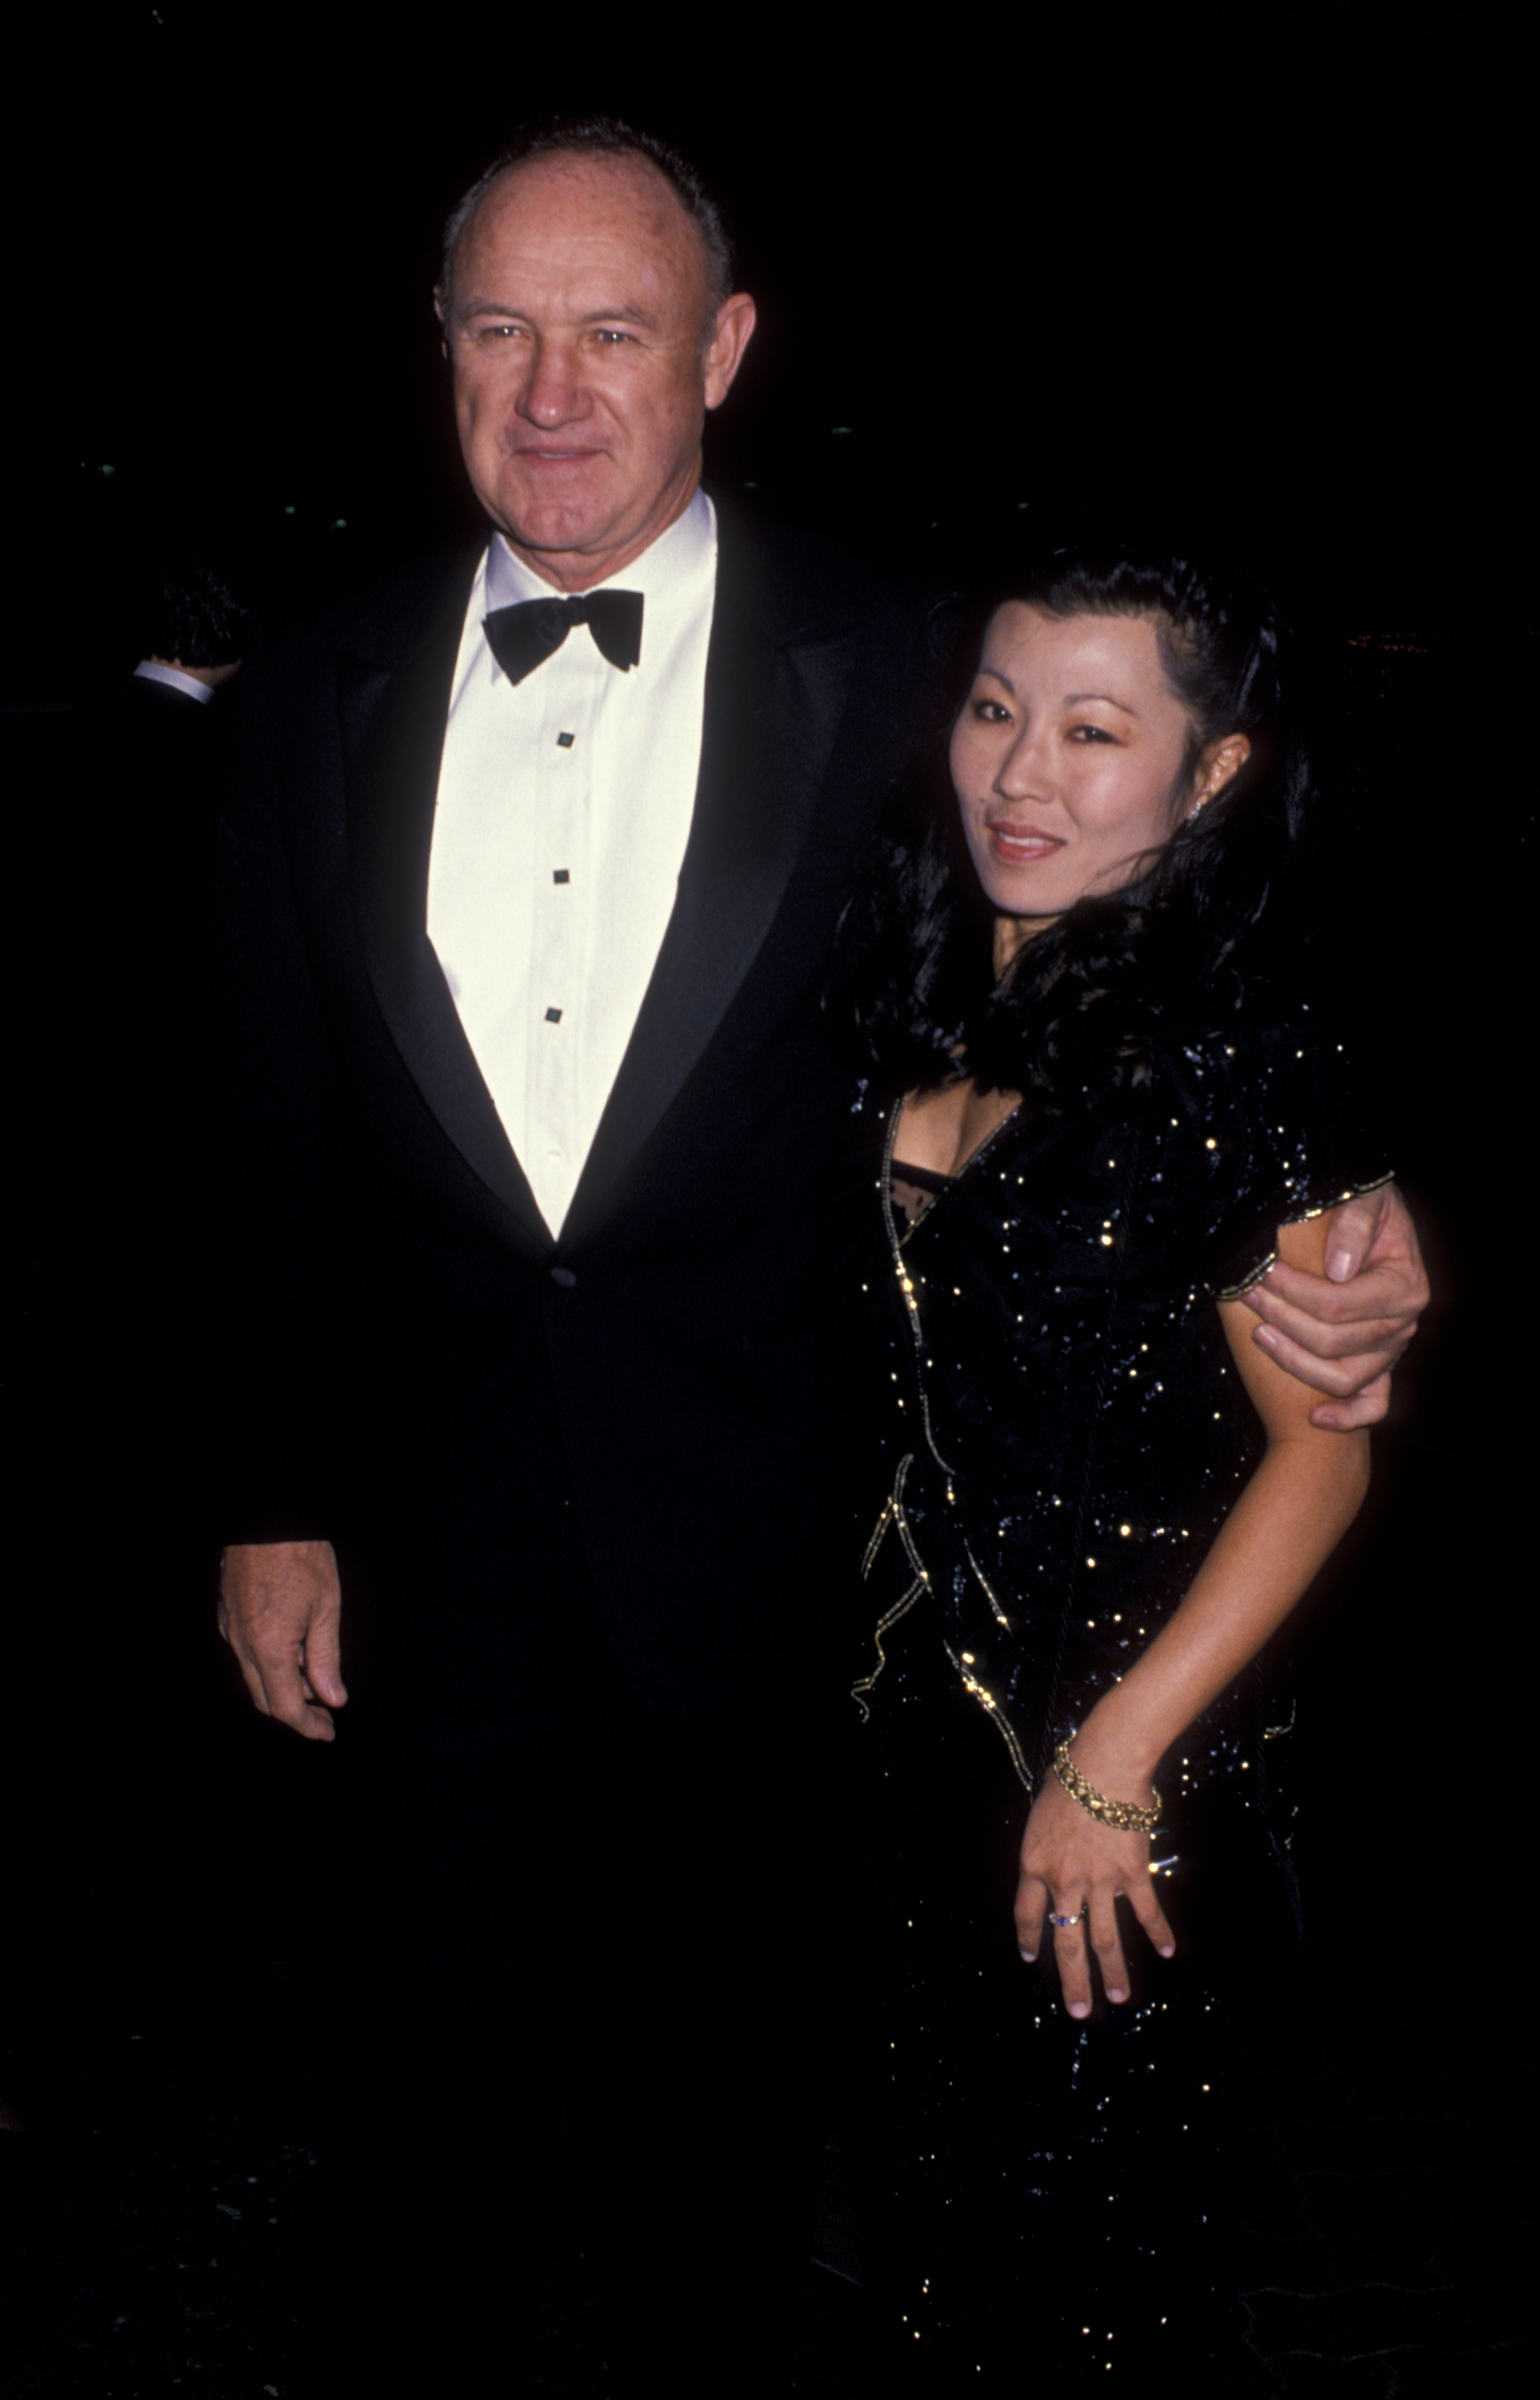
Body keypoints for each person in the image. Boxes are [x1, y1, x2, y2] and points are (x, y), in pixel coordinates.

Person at [205, 122, 1426, 2397]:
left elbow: (1145, 913)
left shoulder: (901, 663)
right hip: (419, 1549)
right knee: (416, 2144)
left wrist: (1350, 1205)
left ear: (722, 352)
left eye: (614, 331)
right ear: (439, 351)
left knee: (727, 2161)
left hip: (779, 1592)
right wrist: (268, 1487)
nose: (552, 389)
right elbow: (268, 1112)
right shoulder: (320, 676)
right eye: (500, 328)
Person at [842, 542, 1398, 2389]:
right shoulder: (902, 969)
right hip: (902, 1745)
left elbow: (1324, 1464)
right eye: (997, 711)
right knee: (920, 2240)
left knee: (1094, 2289)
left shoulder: (1245, 1052)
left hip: (1124, 1780)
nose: (1020, 775)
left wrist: (1118, 1763)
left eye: (1095, 732)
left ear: (1213, 772)